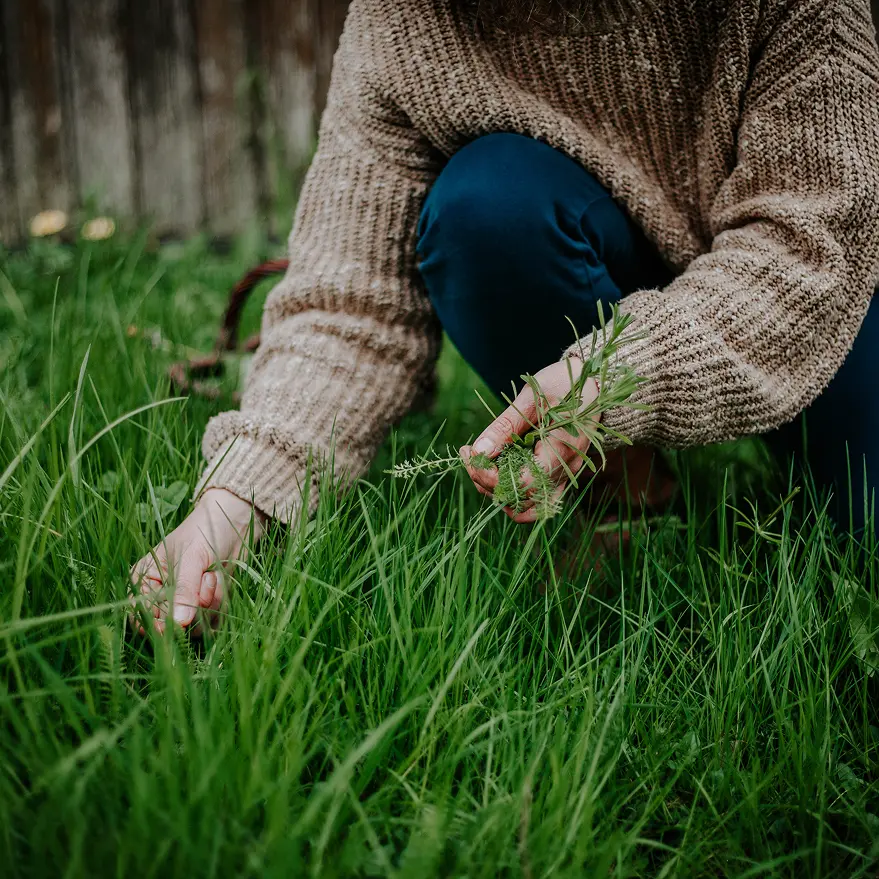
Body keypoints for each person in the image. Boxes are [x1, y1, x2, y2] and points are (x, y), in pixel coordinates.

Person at [131, 0, 879, 633]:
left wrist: (624, 371)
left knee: (861, 545)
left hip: (824, 282)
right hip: (603, 249)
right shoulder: (403, 22)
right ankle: (620, 493)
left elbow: (808, 245)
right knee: (486, 210)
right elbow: (345, 303)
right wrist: (237, 502)